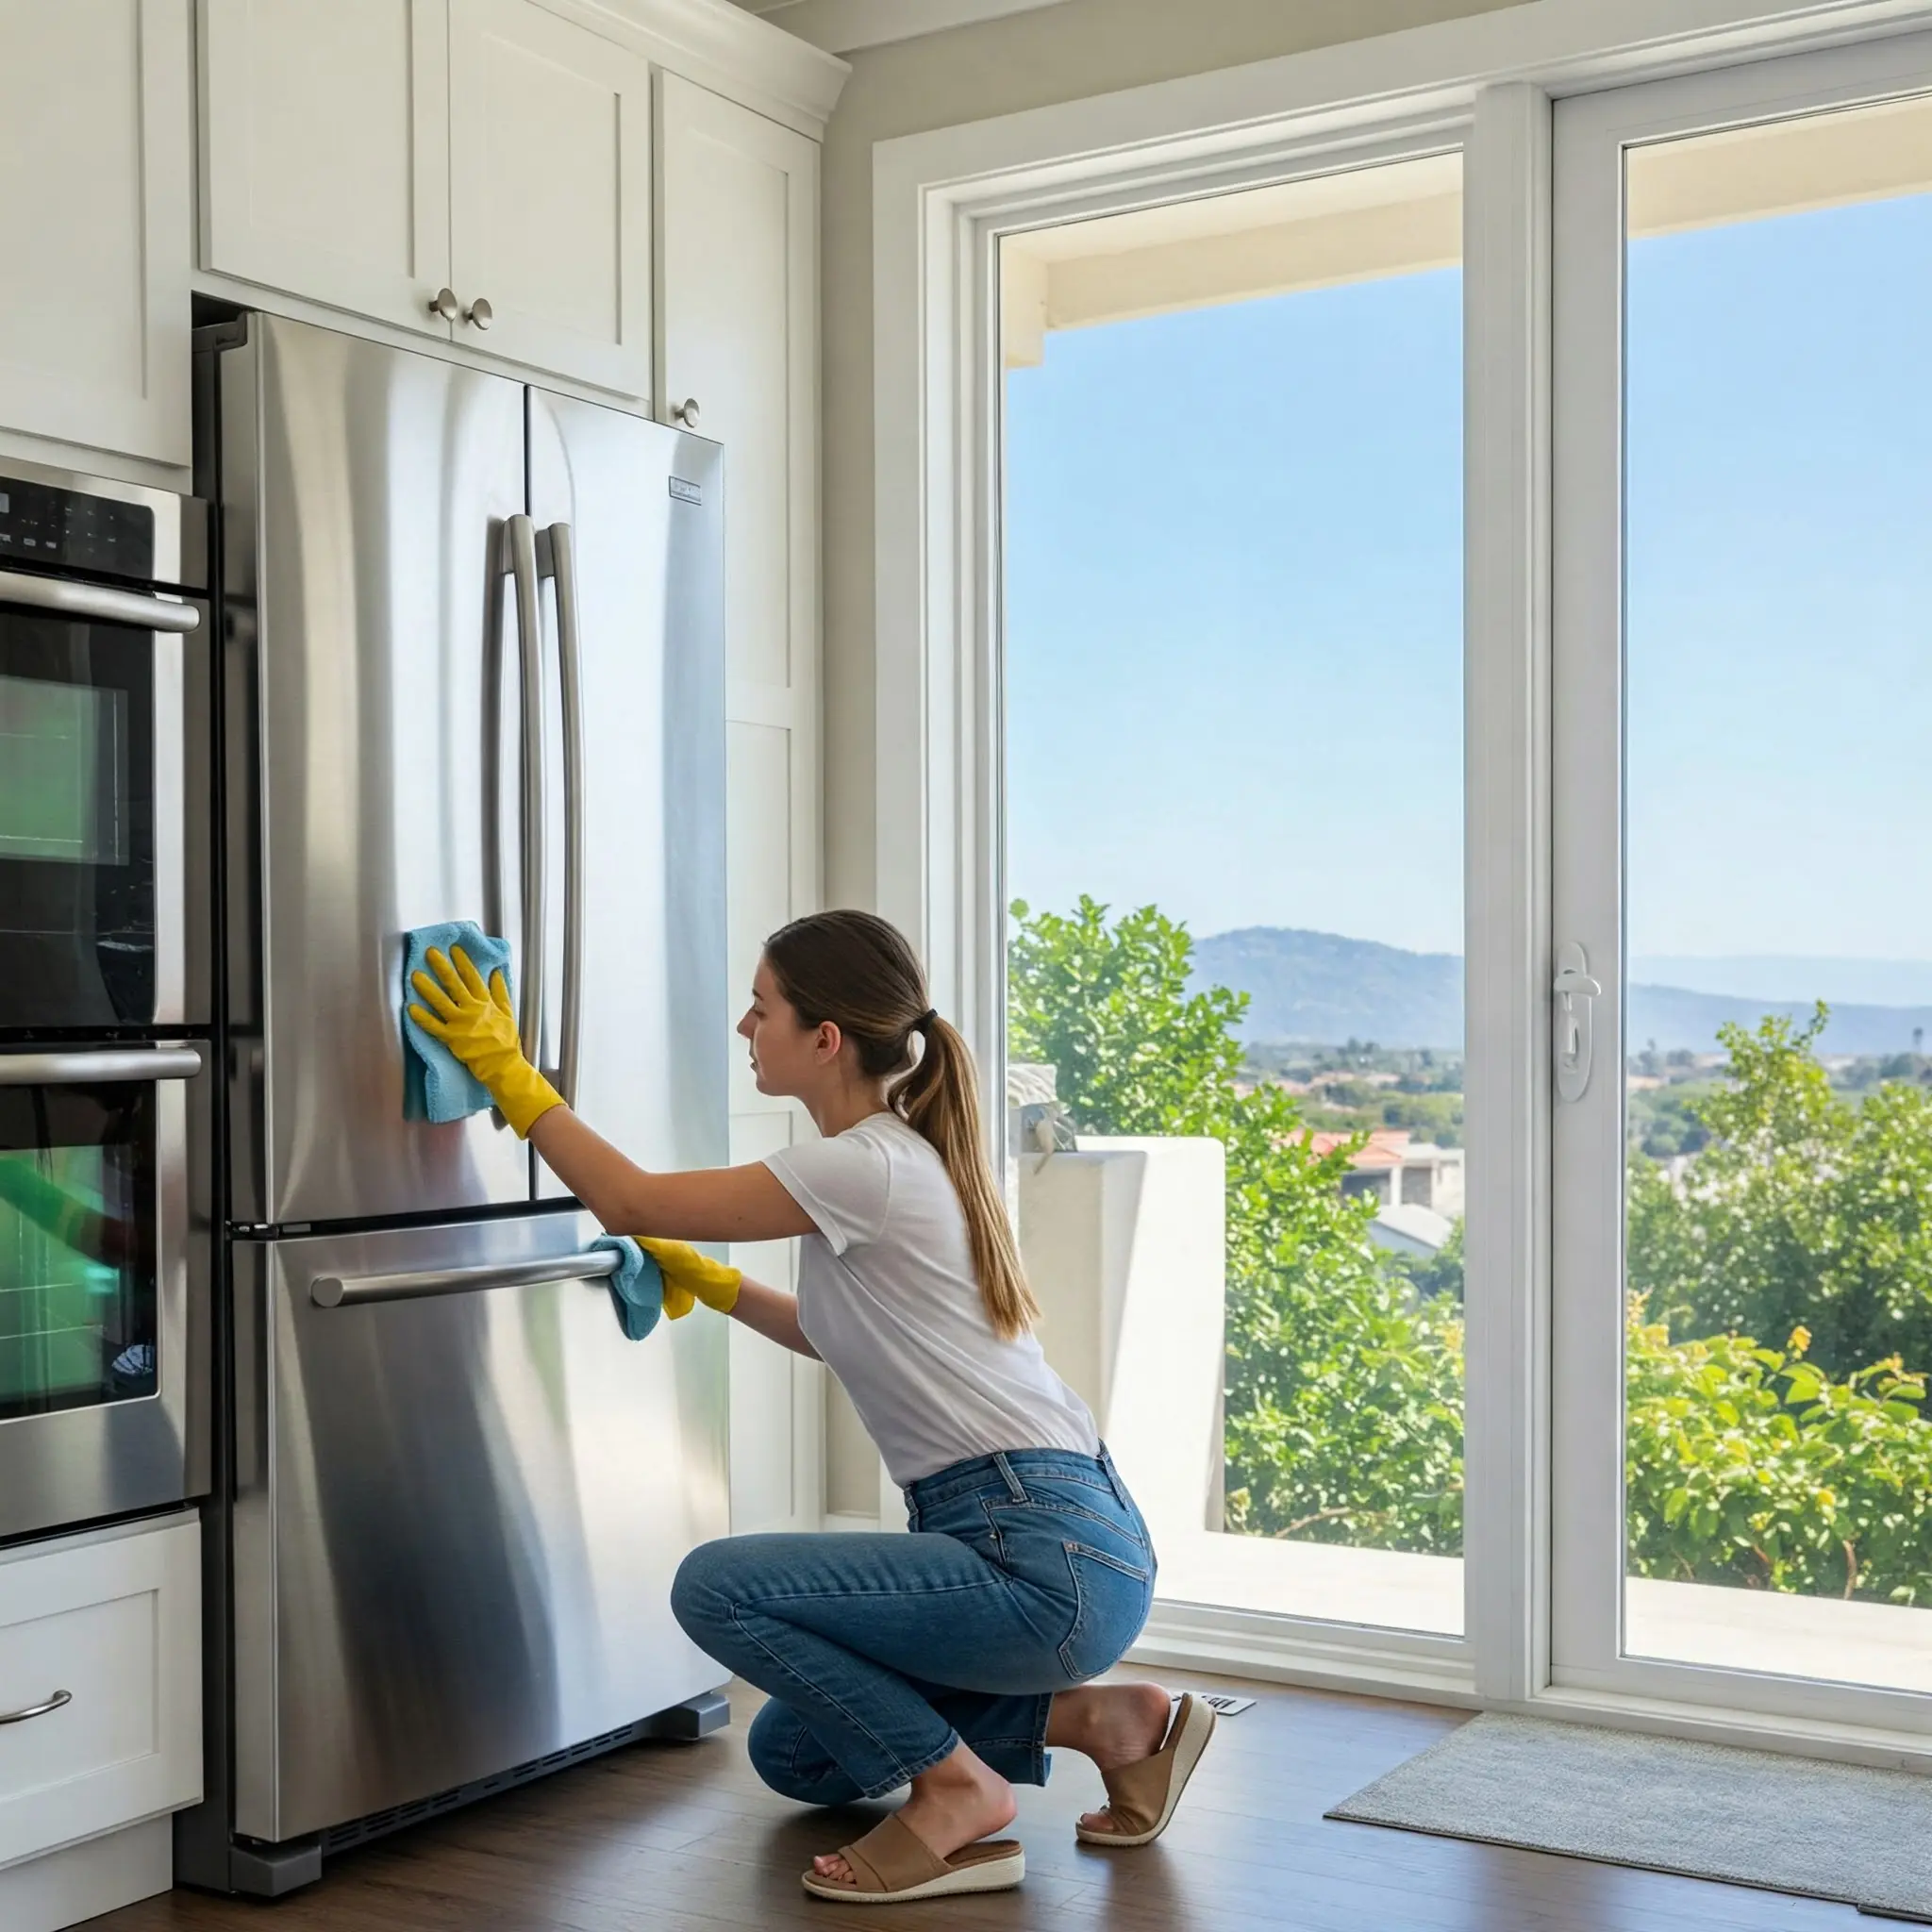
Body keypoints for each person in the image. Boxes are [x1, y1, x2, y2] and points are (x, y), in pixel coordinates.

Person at [408, 908, 1217, 1905]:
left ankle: (959, 1792)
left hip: (1031, 1551)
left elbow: (628, 1197)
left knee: (716, 1586)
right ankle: (1109, 1721)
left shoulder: (863, 1163)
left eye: (761, 1009)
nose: (746, 1029)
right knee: (800, 1747)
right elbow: (831, 1332)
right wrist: (709, 1282)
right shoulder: (897, 1159)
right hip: (1071, 1537)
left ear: (823, 1038)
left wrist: (509, 1072)